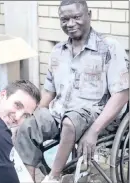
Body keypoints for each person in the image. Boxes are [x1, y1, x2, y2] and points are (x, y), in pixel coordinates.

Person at [14, 0, 129, 182]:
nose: (70, 24)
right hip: (61, 113)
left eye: (76, 17)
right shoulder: (58, 51)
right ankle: (27, 179)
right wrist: (32, 117)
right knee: (27, 127)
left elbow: (122, 94)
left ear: (89, 15)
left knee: (70, 122)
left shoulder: (109, 47)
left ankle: (54, 176)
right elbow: (49, 92)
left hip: (96, 116)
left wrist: (94, 130)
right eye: (64, 19)